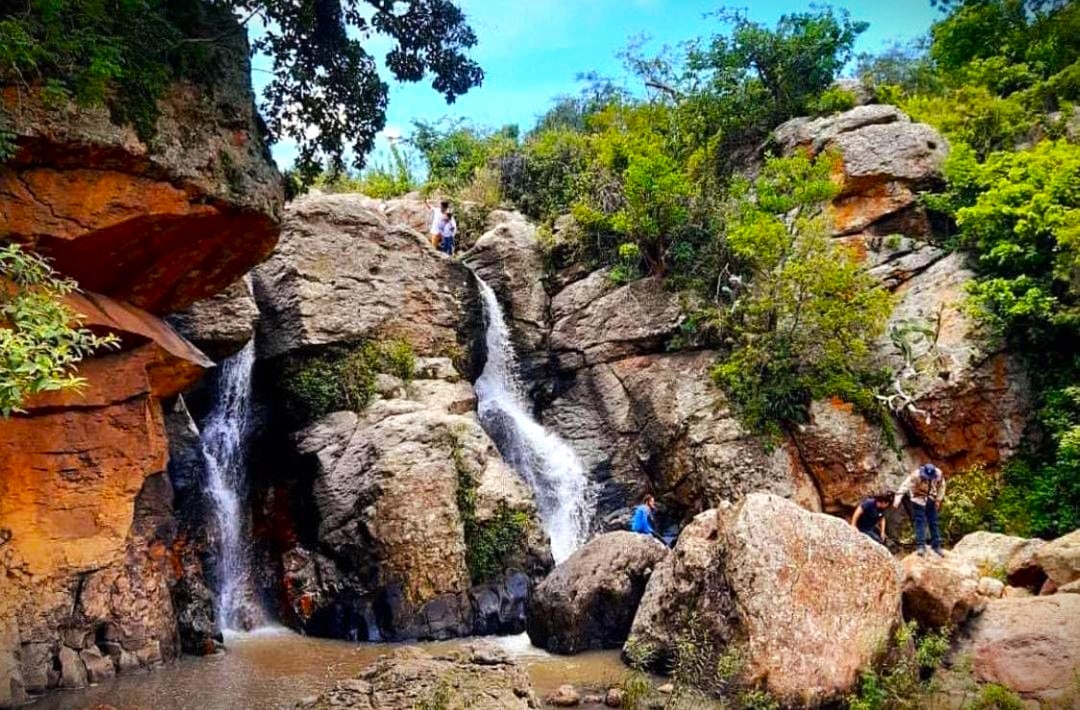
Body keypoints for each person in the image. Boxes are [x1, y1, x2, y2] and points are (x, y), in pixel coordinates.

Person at [895, 463, 946, 557]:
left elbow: (942, 486)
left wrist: (938, 500)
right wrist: (897, 498)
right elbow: (905, 485)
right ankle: (921, 546)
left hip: (931, 499)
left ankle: (936, 545)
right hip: (918, 499)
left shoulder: (939, 474)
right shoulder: (916, 475)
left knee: (933, 522)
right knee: (920, 522)